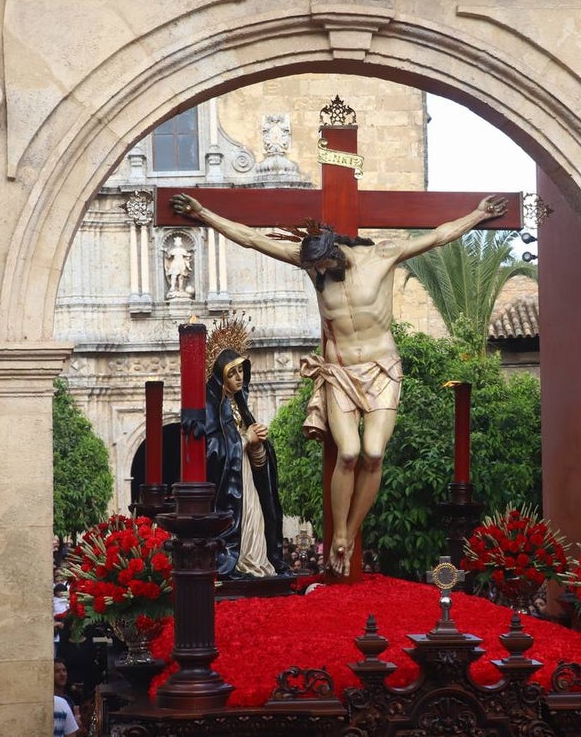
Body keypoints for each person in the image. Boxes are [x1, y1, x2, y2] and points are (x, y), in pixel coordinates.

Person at [171, 192, 508, 575]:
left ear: (336, 254)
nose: (317, 276)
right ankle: (341, 538)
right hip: (340, 372)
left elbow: (438, 236)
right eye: (312, 270)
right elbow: (252, 238)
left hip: (382, 368)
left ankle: (349, 531)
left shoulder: (382, 255)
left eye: (322, 268)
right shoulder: (310, 263)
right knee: (348, 453)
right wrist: (204, 214)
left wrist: (477, 214)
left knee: (374, 453)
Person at [205, 347, 291, 578]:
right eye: (232, 373)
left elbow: (258, 461)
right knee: (244, 518)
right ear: (220, 377)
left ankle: (255, 561)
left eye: (241, 371)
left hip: (246, 477)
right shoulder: (212, 407)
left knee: (256, 517)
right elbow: (211, 449)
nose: (239, 377)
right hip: (230, 483)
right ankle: (240, 562)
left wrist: (258, 445)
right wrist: (244, 440)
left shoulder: (239, 405)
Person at [53, 658, 82, 728]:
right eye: (57, 671)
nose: (62, 674)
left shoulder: (68, 700)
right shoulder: (49, 701)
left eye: (64, 670)